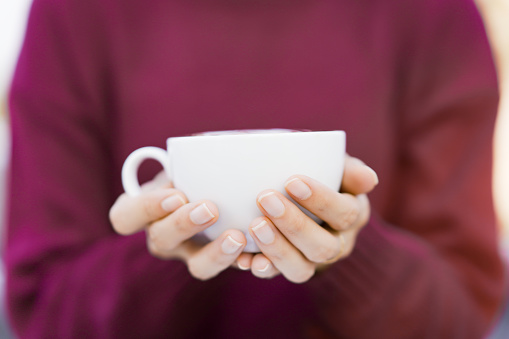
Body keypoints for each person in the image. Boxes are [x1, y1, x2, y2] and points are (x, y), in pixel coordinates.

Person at [4, 0, 506, 338]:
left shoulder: (433, 12)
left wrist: (351, 252)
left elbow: (462, 317)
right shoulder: (72, 14)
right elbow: (39, 314)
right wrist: (160, 251)